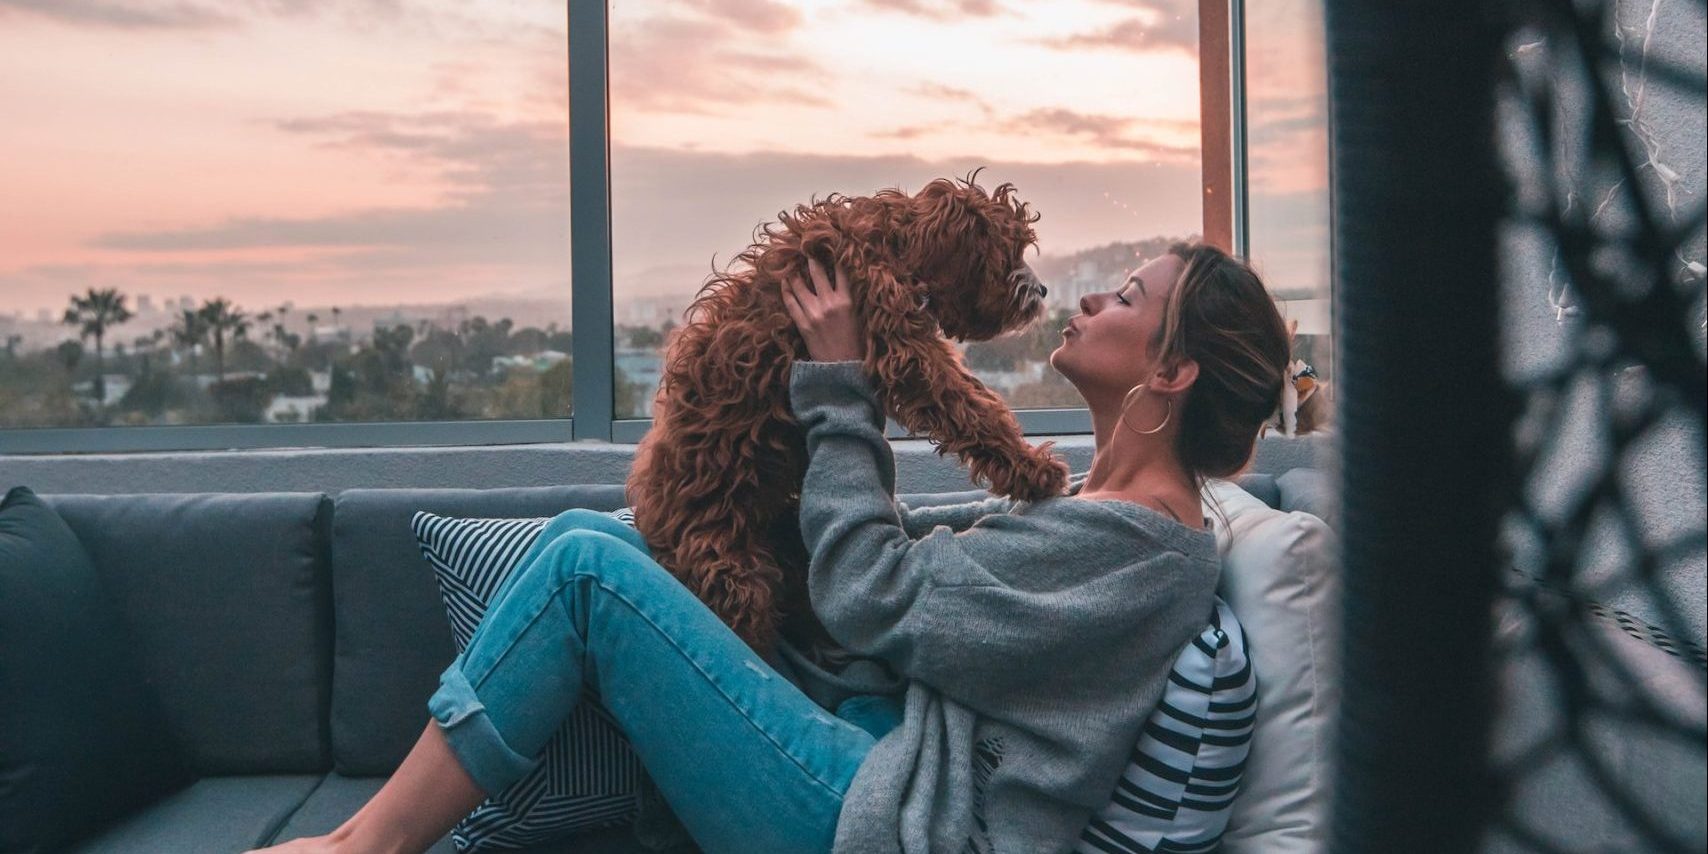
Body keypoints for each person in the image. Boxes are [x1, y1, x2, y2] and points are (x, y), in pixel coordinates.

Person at [248, 241, 1291, 854]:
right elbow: (928, 593)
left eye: (1127, 297)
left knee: (581, 571)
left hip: (874, 821)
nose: (1091, 298)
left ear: (1175, 371)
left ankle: (362, 842)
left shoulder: (1138, 546)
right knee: (590, 537)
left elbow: (874, 595)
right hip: (883, 736)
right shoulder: (1102, 506)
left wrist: (840, 381)